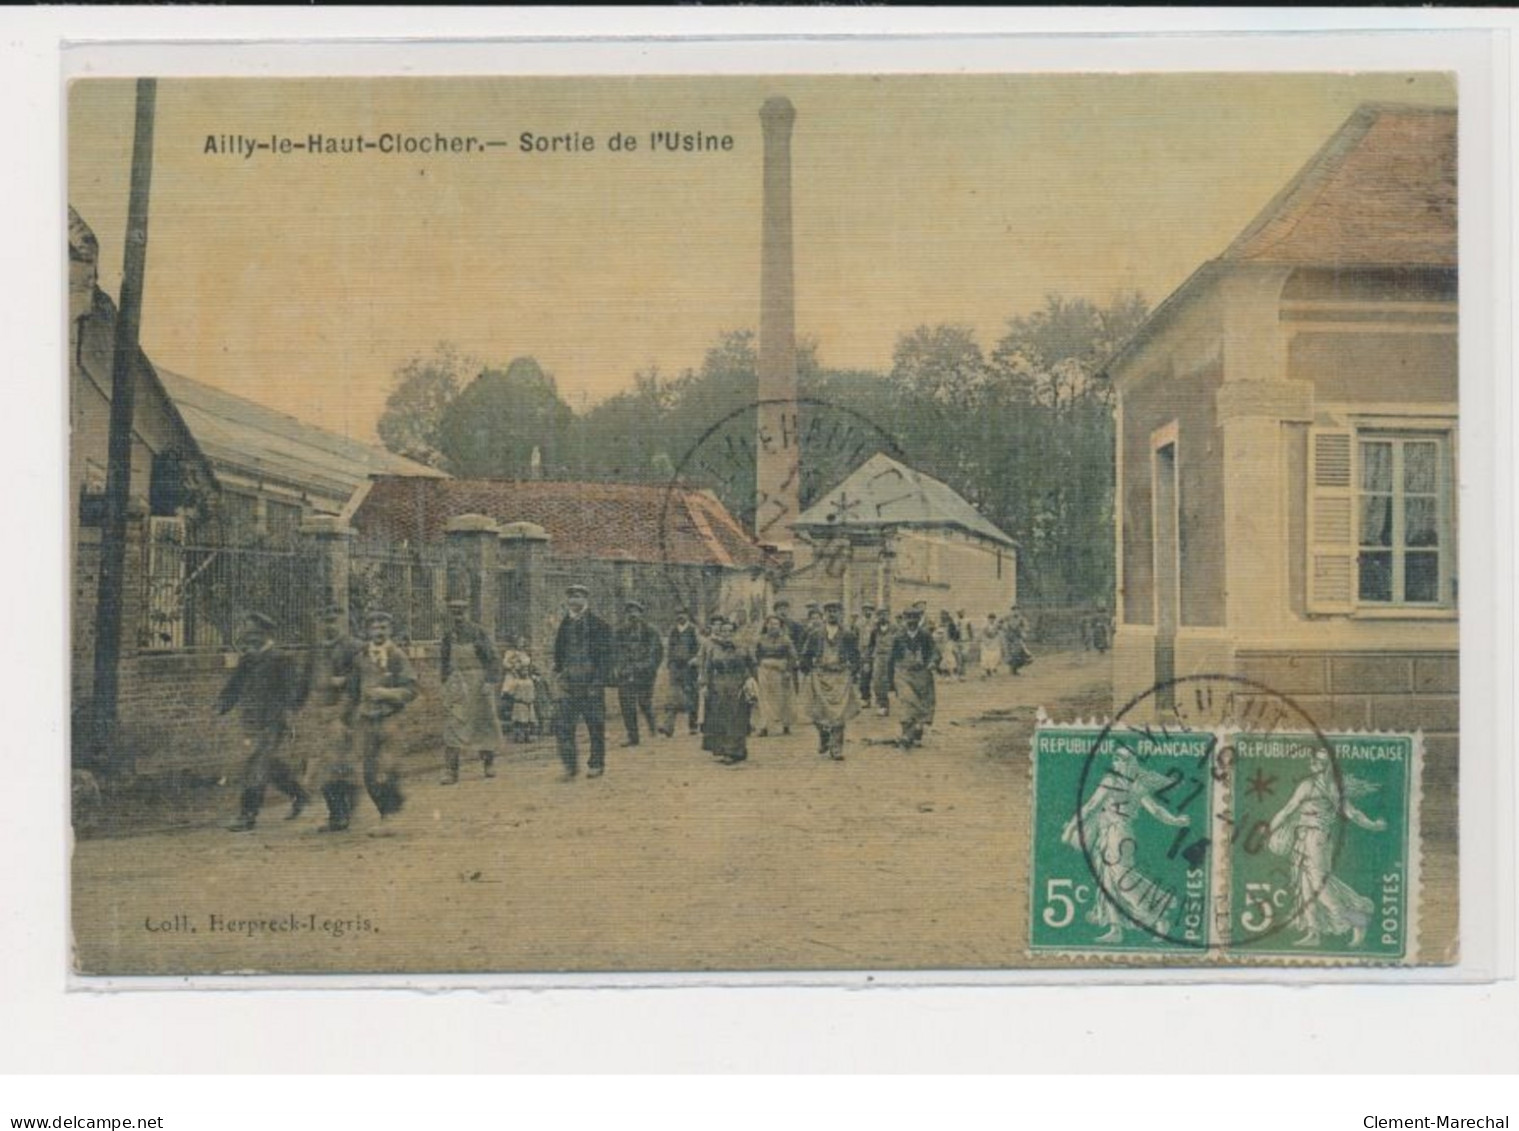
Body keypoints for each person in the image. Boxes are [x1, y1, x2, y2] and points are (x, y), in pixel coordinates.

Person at [1060, 746, 1190, 943]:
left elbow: (1090, 807)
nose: (1116, 763)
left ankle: (1159, 918)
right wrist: (1175, 820)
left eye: (1120, 759)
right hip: (1119, 835)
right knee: (1108, 882)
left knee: (1124, 881)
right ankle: (1116, 929)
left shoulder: (1111, 782)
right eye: (1115, 759)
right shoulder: (1138, 785)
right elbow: (1156, 810)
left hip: (1115, 835)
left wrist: (1070, 829)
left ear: (1129, 763)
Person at [1266, 748, 1387, 948]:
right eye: (1313, 760)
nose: (1313, 764)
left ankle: (1358, 920)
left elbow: (1352, 813)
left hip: (1317, 840)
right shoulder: (1308, 785)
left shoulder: (1330, 788)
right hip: (1302, 839)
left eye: (1318, 761)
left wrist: (1373, 825)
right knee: (1305, 887)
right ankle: (1314, 933)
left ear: (1327, 765)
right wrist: (1270, 830)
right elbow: (1288, 809)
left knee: (1319, 886)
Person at [219, 612, 308, 832]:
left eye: (253, 632)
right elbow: (235, 684)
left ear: (265, 633)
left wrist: (288, 714)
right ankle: (299, 794)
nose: (248, 636)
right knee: (268, 764)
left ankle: (247, 815)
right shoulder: (248, 658)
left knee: (255, 764)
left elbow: (292, 692)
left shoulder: (281, 659)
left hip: (273, 721)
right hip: (251, 721)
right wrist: (224, 703)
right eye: (247, 631)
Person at [352, 609, 420, 826]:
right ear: (367, 631)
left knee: (387, 767)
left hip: (391, 718)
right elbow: (353, 689)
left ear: (390, 630)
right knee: (369, 772)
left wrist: (387, 694)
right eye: (374, 627)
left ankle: (388, 815)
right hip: (366, 719)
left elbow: (411, 689)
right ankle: (385, 809)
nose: (379, 632)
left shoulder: (397, 656)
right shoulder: (361, 656)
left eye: (383, 627)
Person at [301, 604, 361, 833]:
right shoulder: (316, 650)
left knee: (335, 765)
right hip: (320, 713)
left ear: (342, 621)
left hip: (345, 714)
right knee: (323, 766)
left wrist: (344, 681)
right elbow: (306, 679)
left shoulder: (353, 648)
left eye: (333, 620)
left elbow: (363, 676)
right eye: (325, 621)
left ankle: (341, 813)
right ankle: (339, 812)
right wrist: (295, 703)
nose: (329, 626)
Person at [551, 584, 614, 780]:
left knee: (595, 725)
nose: (573, 601)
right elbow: (559, 653)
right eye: (570, 597)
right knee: (563, 725)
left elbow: (607, 657)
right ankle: (570, 767)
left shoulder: (599, 625)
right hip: (568, 682)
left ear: (585, 599)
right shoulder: (564, 624)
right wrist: (559, 674)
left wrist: (598, 681)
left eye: (577, 597)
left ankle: (596, 764)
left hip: (591, 682)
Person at [439, 598, 504, 784]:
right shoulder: (448, 636)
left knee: (484, 722)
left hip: (479, 682)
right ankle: (451, 770)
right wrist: (444, 684)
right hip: (457, 684)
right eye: (454, 613)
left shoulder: (478, 633)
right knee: (454, 723)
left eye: (461, 612)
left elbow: (493, 659)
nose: (457, 617)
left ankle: (489, 763)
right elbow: (444, 662)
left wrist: (489, 681)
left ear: (467, 613)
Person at [799, 601, 861, 762]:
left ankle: (836, 747)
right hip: (819, 675)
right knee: (816, 712)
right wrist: (806, 669)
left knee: (838, 714)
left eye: (836, 611)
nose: (832, 614)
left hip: (840, 677)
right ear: (825, 614)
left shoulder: (848, 635)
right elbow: (806, 654)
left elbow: (856, 656)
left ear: (841, 613)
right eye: (829, 611)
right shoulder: (815, 634)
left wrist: (852, 671)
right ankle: (824, 735)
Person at [699, 616, 759, 766]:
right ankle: (726, 750)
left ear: (734, 632)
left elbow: (752, 665)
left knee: (737, 718)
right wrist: (705, 685)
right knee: (721, 718)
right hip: (718, 687)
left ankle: (736, 750)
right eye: (723, 631)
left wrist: (751, 682)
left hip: (737, 685)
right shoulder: (713, 647)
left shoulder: (743, 647)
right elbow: (707, 668)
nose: (726, 634)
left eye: (729, 631)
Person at [614, 600, 664, 747]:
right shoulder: (620, 632)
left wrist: (646, 667)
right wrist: (619, 667)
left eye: (635, 612)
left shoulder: (650, 631)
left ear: (641, 614)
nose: (632, 615)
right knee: (627, 705)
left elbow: (656, 653)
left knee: (644, 702)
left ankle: (652, 727)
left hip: (645, 673)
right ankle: (633, 736)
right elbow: (615, 652)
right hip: (626, 673)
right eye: (629, 612)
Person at [889, 605, 940, 749]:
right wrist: (891, 681)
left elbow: (935, 651)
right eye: (909, 618)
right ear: (904, 619)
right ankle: (906, 734)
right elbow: (891, 659)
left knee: (922, 704)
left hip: (922, 674)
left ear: (919, 619)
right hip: (903, 674)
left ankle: (917, 731)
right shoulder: (898, 637)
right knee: (907, 702)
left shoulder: (925, 635)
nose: (911, 621)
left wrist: (932, 662)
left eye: (915, 618)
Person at [752, 613, 797, 737]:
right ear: (766, 625)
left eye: (776, 624)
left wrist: (788, 670)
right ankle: (765, 726)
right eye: (771, 624)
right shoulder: (760, 639)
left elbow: (793, 656)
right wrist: (758, 667)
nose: (773, 626)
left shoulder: (786, 639)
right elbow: (754, 655)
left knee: (784, 698)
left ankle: (786, 725)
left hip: (781, 672)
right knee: (765, 699)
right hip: (765, 671)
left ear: (780, 626)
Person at [661, 608, 702, 736]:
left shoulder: (693, 630)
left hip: (689, 667)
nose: (680, 617)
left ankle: (693, 725)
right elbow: (669, 649)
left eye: (683, 614)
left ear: (687, 616)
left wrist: (695, 659)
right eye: (678, 614)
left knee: (691, 694)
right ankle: (668, 726)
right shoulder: (673, 631)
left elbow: (700, 648)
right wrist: (670, 663)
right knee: (673, 696)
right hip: (675, 667)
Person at [499, 641, 539, 744]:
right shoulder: (510, 653)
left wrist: (528, 671)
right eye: (519, 642)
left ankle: (528, 734)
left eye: (522, 642)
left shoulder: (524, 654)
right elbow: (506, 664)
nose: (521, 644)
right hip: (514, 675)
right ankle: (518, 734)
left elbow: (528, 665)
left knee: (529, 684)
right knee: (513, 685)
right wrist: (514, 668)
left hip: (524, 676)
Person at [868, 607, 898, 715]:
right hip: (879, 657)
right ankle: (882, 704)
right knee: (878, 681)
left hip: (891, 658)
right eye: (880, 614)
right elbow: (871, 645)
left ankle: (905, 702)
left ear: (889, 616)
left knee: (893, 681)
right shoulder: (875, 630)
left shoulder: (895, 628)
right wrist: (868, 659)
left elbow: (899, 644)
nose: (883, 617)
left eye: (885, 614)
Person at [1003, 605, 1033, 676]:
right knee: (1010, 654)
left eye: (1017, 610)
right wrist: (1004, 627)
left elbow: (1026, 627)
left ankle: (1015, 669)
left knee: (1020, 654)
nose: (1015, 612)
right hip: (1009, 638)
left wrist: (1023, 631)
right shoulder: (1007, 617)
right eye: (1014, 610)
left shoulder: (1021, 618)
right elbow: (999, 623)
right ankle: (1012, 669)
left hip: (1017, 638)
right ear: (1011, 611)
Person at [980, 613, 1003, 678]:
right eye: (990, 619)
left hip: (994, 643)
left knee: (995, 656)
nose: (992, 620)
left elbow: (998, 634)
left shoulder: (996, 626)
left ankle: (993, 669)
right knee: (986, 657)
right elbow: (986, 634)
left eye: (993, 619)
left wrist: (998, 629)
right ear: (988, 619)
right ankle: (987, 670)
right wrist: (986, 641)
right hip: (987, 643)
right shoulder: (985, 626)